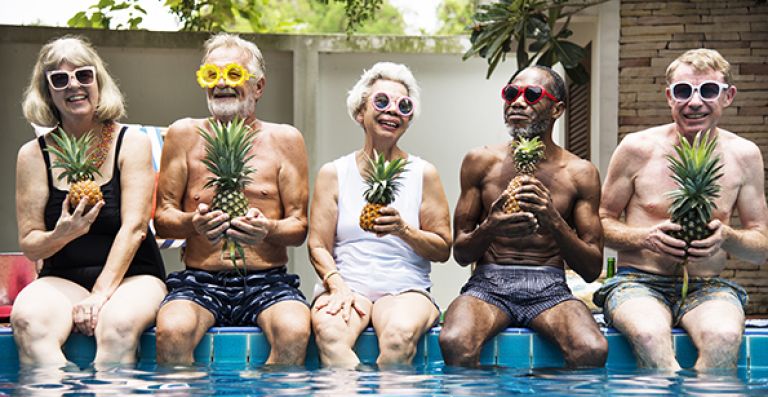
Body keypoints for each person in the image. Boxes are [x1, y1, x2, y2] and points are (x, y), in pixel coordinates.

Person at [594, 49, 768, 370]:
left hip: (708, 285)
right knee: (648, 335)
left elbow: (761, 248)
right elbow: (599, 223)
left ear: (728, 97)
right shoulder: (637, 148)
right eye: (683, 91)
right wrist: (643, 238)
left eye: (709, 91)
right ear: (669, 97)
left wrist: (726, 236)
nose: (695, 102)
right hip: (638, 281)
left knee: (725, 337)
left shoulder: (744, 155)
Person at [154, 34, 311, 365]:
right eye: (212, 75)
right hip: (200, 279)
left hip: (268, 280)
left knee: (295, 331)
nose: (222, 83)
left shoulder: (285, 139)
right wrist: (192, 224)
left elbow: (299, 226)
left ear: (258, 86)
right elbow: (162, 217)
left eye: (234, 75)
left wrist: (266, 229)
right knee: (171, 331)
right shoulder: (183, 134)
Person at [12, 36, 167, 366]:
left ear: (98, 81)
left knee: (118, 327)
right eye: (59, 79)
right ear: (47, 90)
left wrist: (99, 294)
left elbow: (135, 228)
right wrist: (63, 233)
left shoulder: (131, 143)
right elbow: (31, 245)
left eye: (83, 75)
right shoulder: (33, 155)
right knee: (28, 322)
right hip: (62, 277)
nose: (74, 86)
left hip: (133, 276)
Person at [439, 65, 607, 368]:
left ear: (557, 109)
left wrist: (553, 220)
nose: (518, 101)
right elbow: (461, 253)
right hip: (488, 285)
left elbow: (592, 267)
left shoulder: (579, 173)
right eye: (511, 93)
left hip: (550, 287)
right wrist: (490, 227)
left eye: (532, 95)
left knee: (591, 349)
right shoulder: (480, 162)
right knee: (455, 341)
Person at [307, 62, 451, 368]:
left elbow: (442, 247)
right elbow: (317, 244)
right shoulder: (334, 173)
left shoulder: (423, 173)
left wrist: (404, 230)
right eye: (381, 102)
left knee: (398, 337)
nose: (393, 111)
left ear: (409, 119)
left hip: (405, 288)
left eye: (404, 106)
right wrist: (337, 286)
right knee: (331, 334)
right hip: (347, 284)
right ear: (360, 112)